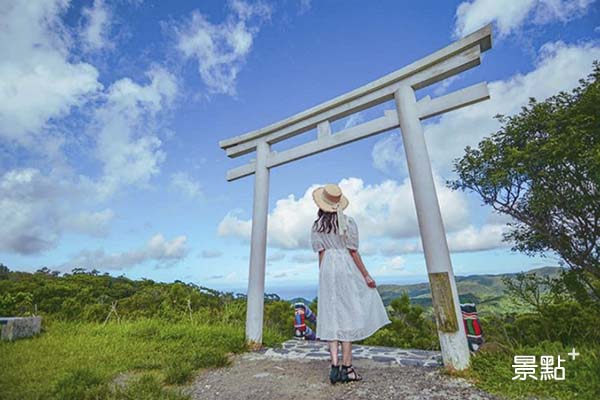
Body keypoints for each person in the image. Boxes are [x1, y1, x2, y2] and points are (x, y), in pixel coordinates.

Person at [310, 183, 392, 384]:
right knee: (347, 315)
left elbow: (321, 253)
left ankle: (334, 366)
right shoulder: (348, 223)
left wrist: (324, 275)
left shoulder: (317, 226)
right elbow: (353, 251)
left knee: (331, 316)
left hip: (328, 269)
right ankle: (347, 368)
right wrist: (366, 275)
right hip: (345, 267)